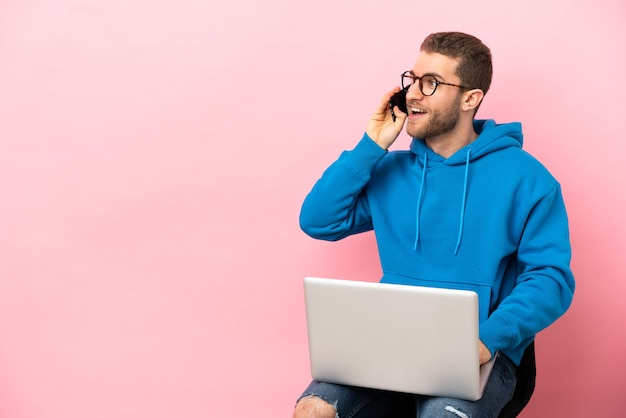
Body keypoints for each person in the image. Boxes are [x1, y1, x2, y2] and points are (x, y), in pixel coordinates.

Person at [293, 32, 575, 418]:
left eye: (432, 84)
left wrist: (487, 339)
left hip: (477, 348)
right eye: (413, 79)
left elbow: (550, 278)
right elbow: (318, 221)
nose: (413, 94)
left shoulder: (528, 179)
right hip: (388, 340)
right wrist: (371, 145)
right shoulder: (390, 170)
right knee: (313, 410)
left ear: (470, 99)